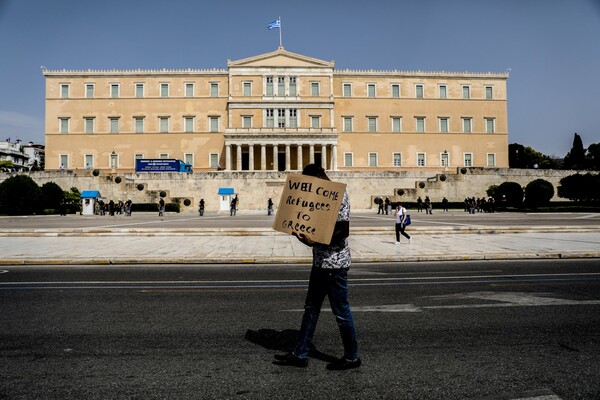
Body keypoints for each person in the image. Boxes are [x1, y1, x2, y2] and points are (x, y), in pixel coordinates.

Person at [273, 164, 360, 371]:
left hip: (336, 264)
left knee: (341, 312)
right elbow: (315, 234)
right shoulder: (318, 198)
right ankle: (300, 354)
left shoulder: (339, 195)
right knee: (311, 309)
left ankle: (352, 357)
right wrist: (304, 237)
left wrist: (315, 241)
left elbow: (344, 229)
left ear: (319, 176)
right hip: (320, 263)